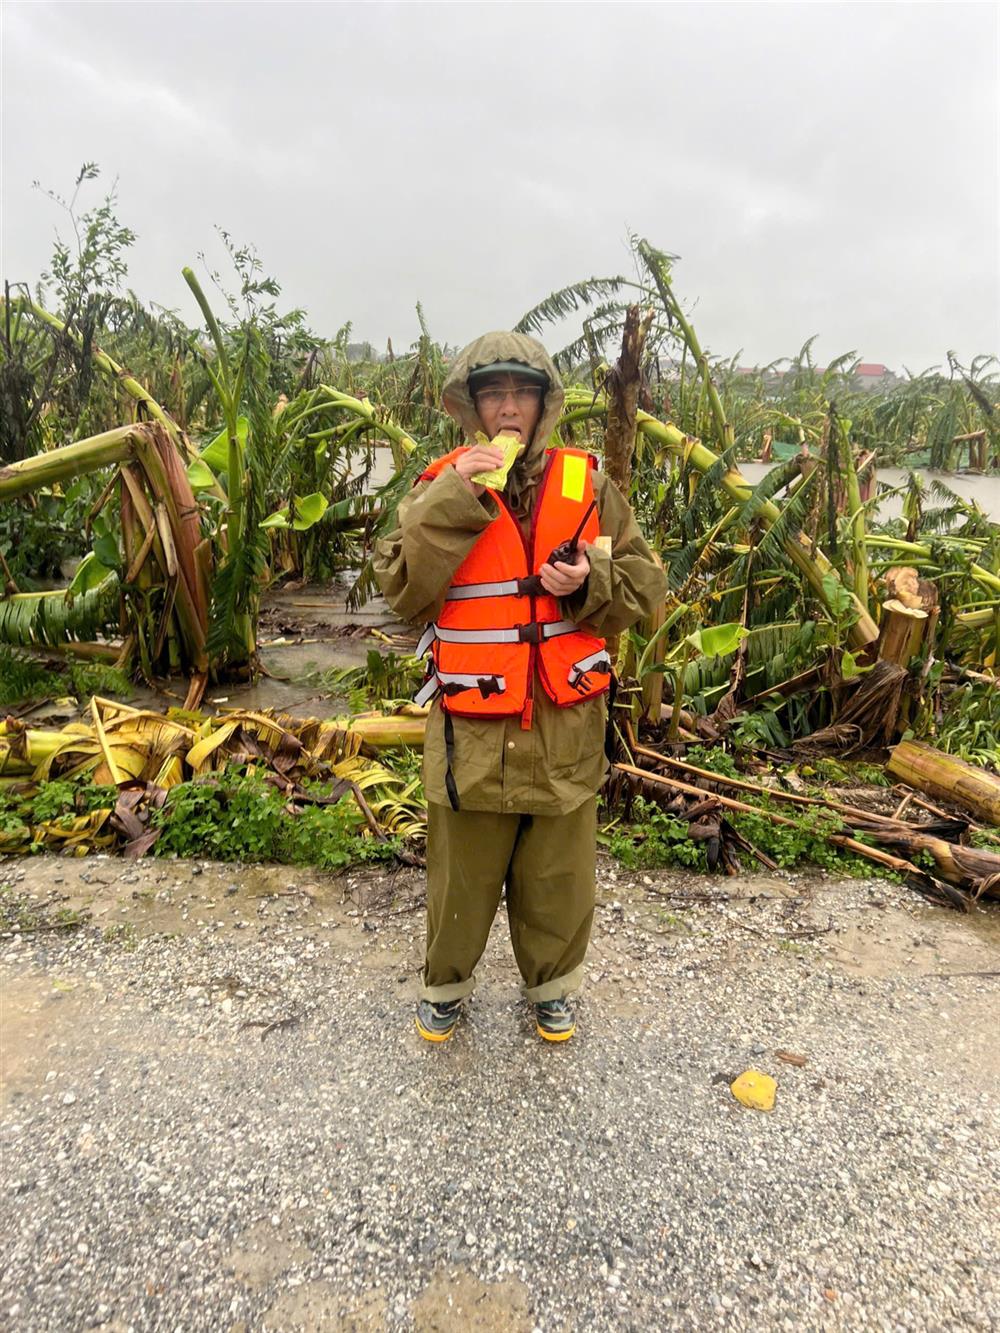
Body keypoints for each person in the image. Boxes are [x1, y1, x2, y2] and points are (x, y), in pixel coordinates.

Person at [373, 331, 666, 1043]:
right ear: (471, 406)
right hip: (473, 725)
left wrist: (588, 582)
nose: (509, 408)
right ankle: (445, 985)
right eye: (494, 394)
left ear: (544, 404)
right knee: (461, 878)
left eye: (522, 394)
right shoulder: (439, 482)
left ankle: (552, 987)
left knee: (558, 876)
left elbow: (646, 588)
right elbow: (400, 589)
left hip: (564, 725)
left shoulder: (587, 485)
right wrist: (454, 498)